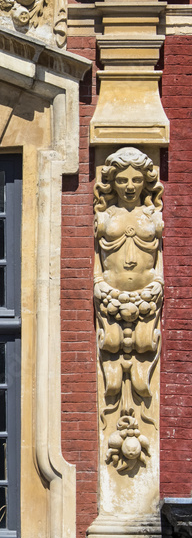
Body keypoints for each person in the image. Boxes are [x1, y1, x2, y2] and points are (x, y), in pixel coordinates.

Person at [93, 147, 163, 422]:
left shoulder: (152, 216)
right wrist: (98, 282)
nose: (130, 187)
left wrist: (157, 281)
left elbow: (161, 258)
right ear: (112, 182)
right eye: (122, 180)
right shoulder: (104, 217)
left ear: (146, 181)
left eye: (136, 180)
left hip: (146, 299)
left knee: (145, 345)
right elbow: (96, 258)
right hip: (111, 299)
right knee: (110, 344)